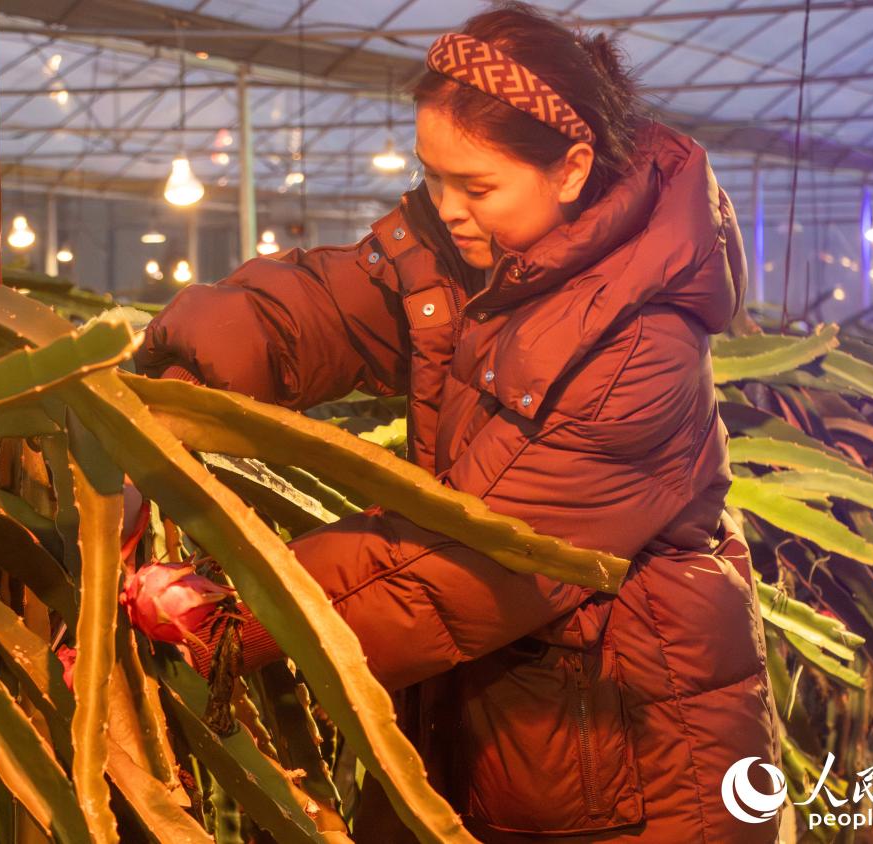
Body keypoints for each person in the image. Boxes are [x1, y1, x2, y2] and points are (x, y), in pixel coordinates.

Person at [132, 4, 780, 841]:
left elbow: (474, 556)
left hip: (635, 756)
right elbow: (332, 306)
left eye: (476, 186)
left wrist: (235, 610)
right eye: (433, 176)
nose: (449, 208)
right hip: (520, 719)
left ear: (573, 168)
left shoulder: (639, 347)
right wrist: (178, 371)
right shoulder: (475, 249)